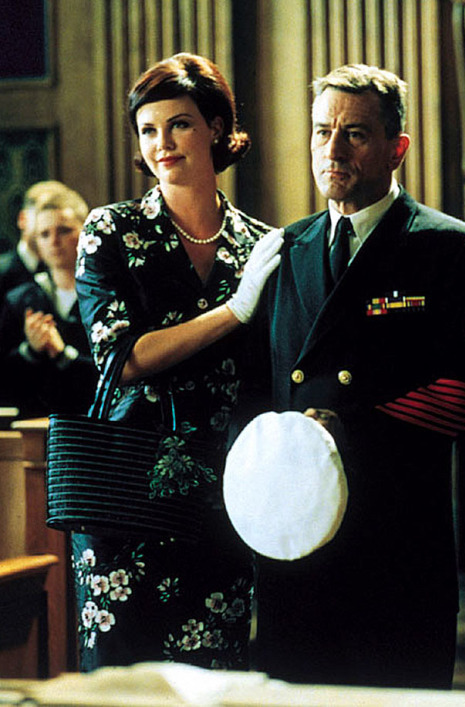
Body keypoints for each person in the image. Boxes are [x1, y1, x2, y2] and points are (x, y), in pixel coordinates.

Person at [244, 64, 465, 689]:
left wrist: (349, 427)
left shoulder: (451, 248)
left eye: (354, 134)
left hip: (397, 549)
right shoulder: (284, 250)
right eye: (321, 131)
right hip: (294, 544)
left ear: (397, 148)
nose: (332, 150)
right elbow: (253, 390)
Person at [72, 52, 282, 672]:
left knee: (216, 683)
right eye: (148, 130)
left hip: (225, 496)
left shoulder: (259, 244)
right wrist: (233, 311)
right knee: (121, 688)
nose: (161, 143)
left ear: (215, 128)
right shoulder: (111, 230)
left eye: (179, 124)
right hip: (125, 497)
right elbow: (122, 358)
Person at [0, 185, 97, 418]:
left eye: (64, 230)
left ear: (84, 232)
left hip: (95, 424)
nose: (54, 241)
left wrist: (64, 355)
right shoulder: (20, 300)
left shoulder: (105, 296)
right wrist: (30, 351)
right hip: (34, 425)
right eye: (44, 234)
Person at [0, 180, 69, 302]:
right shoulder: (3, 272)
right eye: (42, 211)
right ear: (22, 219)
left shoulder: (67, 271)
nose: (50, 221)